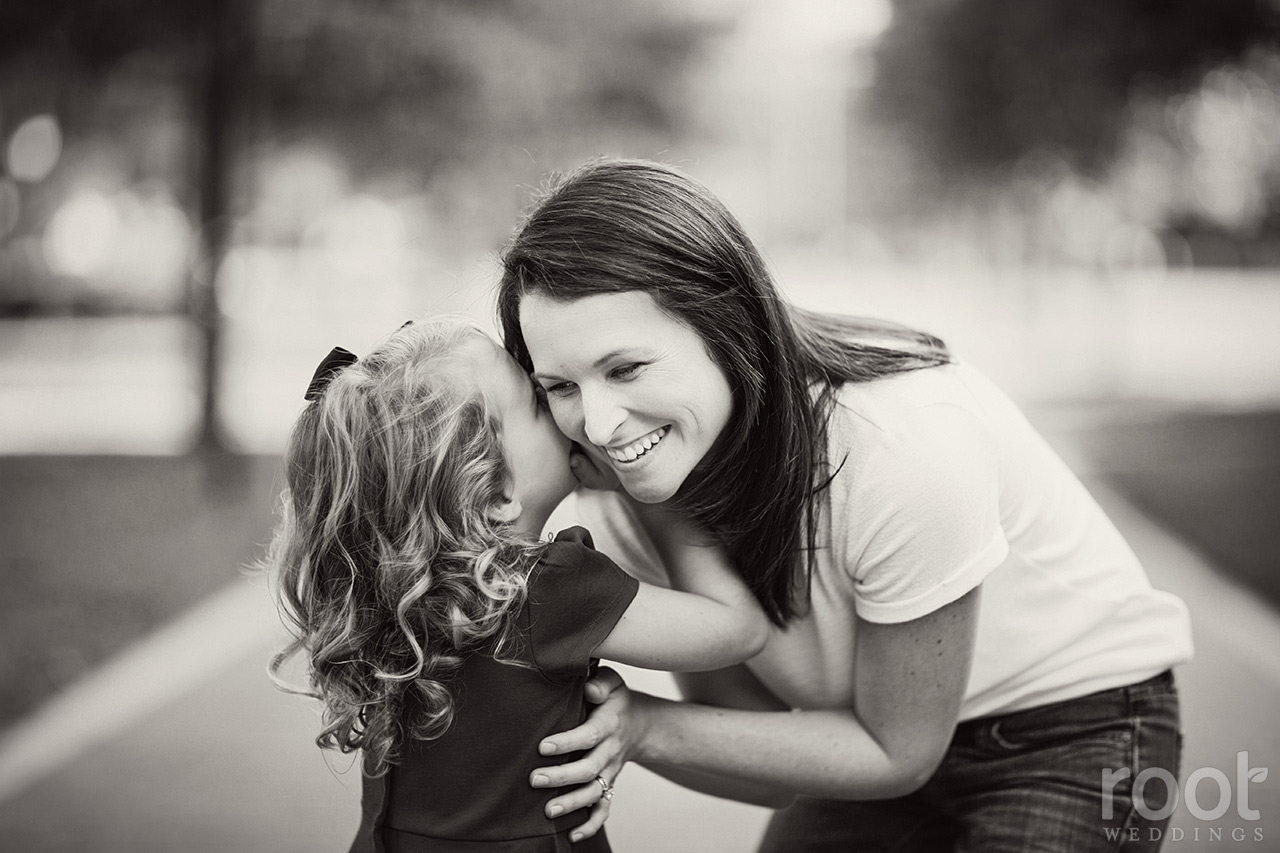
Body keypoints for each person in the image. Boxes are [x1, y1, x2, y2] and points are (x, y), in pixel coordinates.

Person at [495, 158, 1194, 851]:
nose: (601, 422)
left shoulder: (899, 442)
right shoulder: (637, 484)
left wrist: (641, 725)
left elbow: (899, 751)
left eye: (626, 368)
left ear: (726, 323)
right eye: (560, 386)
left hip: (1072, 725)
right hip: (859, 737)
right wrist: (664, 517)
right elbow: (754, 748)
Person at [264, 317, 768, 852]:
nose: (564, 413)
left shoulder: (393, 592)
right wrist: (657, 493)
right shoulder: (547, 589)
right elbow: (738, 630)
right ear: (498, 490)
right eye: (535, 401)